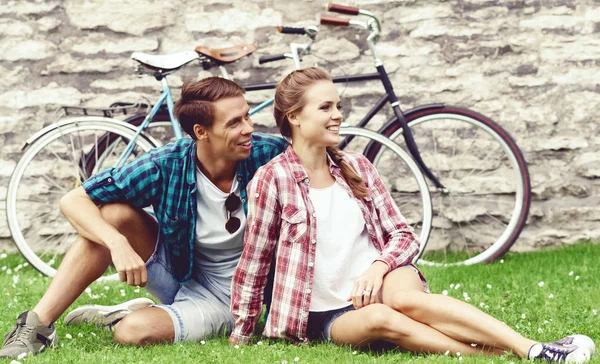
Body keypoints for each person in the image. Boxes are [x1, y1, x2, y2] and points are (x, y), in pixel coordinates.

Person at [229, 67, 596, 363]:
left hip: (386, 282)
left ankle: (530, 347)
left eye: (338, 106)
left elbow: (403, 236)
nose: (338, 115)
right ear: (293, 116)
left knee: (404, 301)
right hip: (328, 315)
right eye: (325, 108)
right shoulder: (271, 179)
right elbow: (255, 260)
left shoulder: (357, 166)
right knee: (380, 318)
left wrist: (378, 266)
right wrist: (243, 335)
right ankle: (501, 355)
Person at [0, 77, 288, 359]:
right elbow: (73, 200)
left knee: (131, 332)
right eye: (234, 123)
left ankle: (127, 316)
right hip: (179, 274)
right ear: (201, 132)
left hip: (231, 297)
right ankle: (37, 327)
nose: (249, 128)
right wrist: (117, 244)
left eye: (247, 116)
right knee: (113, 215)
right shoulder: (168, 164)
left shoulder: (269, 154)